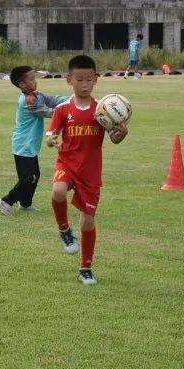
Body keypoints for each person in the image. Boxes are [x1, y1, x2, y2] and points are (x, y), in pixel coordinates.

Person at [46, 55, 127, 284]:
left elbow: (114, 139)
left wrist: (122, 133)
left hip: (90, 173)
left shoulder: (102, 110)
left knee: (88, 221)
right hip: (67, 164)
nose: (84, 84)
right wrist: (52, 140)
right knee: (58, 191)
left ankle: (86, 267)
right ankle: (64, 230)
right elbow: (51, 135)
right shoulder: (63, 109)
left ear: (96, 80)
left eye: (89, 79)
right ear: (69, 80)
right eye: (79, 79)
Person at [0, 66, 68, 215]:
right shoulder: (28, 101)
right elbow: (49, 112)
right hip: (23, 145)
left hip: (30, 146)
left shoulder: (36, 95)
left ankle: (25, 204)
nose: (35, 81)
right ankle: (6, 201)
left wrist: (72, 99)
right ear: (22, 84)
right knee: (28, 178)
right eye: (31, 79)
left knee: (35, 176)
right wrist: (72, 109)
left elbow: (53, 100)